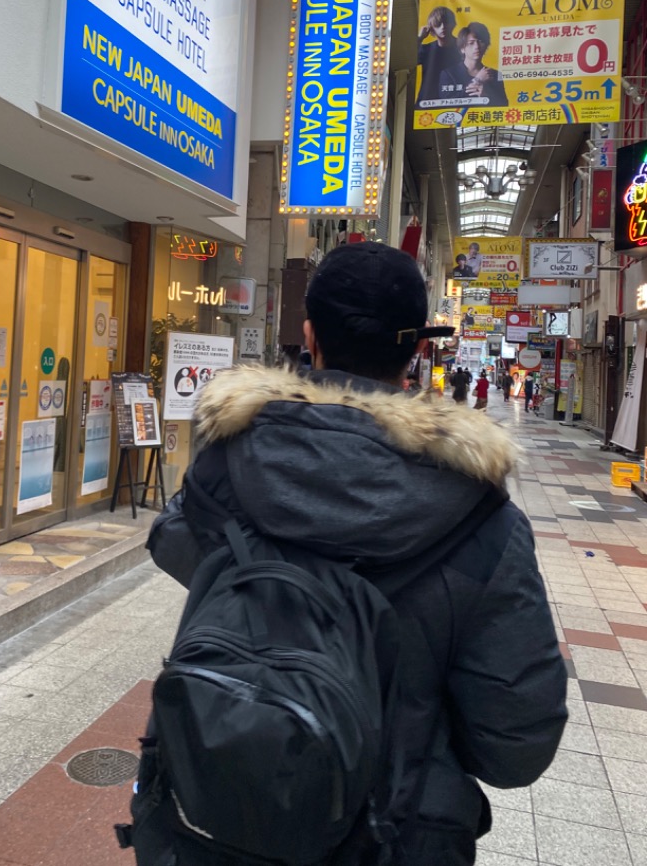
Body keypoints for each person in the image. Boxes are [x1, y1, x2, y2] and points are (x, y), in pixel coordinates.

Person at [148, 241, 567, 866]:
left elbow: (172, 541)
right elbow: (515, 748)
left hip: (219, 813)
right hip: (394, 836)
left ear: (310, 337)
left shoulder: (229, 461)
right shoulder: (485, 521)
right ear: (418, 351)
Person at [438, 22, 509, 107]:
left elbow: (504, 105)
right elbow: (446, 103)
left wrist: (486, 96)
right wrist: (477, 80)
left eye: (481, 42)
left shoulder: (495, 74)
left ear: (486, 46)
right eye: (471, 43)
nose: (477, 47)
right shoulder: (448, 74)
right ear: (462, 48)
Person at [415, 5, 461, 107]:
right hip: (428, 103)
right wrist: (420, 38)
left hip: (457, 101)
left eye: (446, 22)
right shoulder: (426, 49)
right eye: (438, 24)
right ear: (431, 27)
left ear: (453, 24)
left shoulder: (463, 47)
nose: (443, 27)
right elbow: (409, 61)